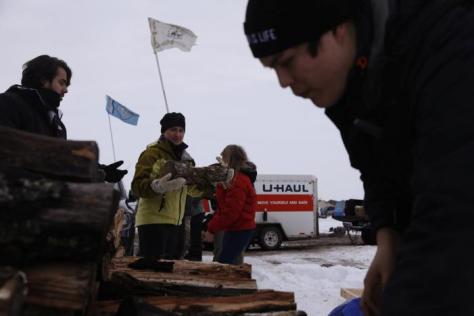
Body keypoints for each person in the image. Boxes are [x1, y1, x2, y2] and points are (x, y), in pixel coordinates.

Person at [244, 1, 474, 315]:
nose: (284, 81)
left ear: (337, 30)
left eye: (286, 62)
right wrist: (388, 236)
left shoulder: (448, 44)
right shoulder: (351, 84)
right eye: (272, 68)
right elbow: (376, 166)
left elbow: (454, 213)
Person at [0, 55, 127, 182]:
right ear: (43, 81)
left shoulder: (55, 122)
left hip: (43, 198)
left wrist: (100, 170)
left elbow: (60, 161)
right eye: (62, 83)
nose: (65, 90)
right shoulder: (8, 103)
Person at [131, 112, 202, 259]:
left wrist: (209, 183)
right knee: (152, 270)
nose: (178, 134)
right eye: (173, 130)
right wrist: (157, 186)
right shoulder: (151, 154)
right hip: (153, 222)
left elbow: (191, 189)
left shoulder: (187, 160)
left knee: (172, 271)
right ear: (164, 131)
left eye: (181, 130)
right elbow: (137, 186)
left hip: (177, 222)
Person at [204, 145, 257, 265]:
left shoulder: (238, 180)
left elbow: (230, 212)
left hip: (240, 229)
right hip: (235, 228)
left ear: (230, 159)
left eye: (223, 158)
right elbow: (225, 207)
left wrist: (211, 229)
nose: (221, 162)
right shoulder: (232, 178)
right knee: (230, 263)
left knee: (226, 265)